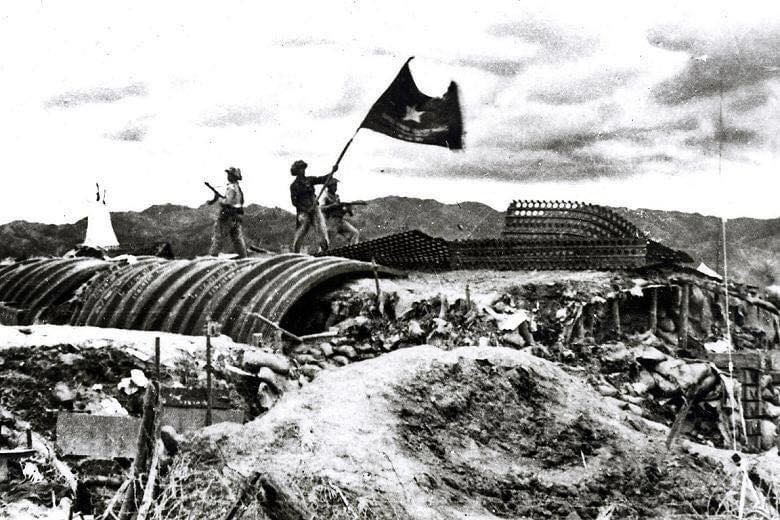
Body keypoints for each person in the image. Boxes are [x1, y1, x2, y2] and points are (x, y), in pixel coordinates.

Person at [289, 160, 332, 253]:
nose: (302, 171)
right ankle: (296, 252)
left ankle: (324, 250)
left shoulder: (309, 180)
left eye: (303, 168)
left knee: (321, 229)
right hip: (303, 211)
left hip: (314, 209)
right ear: (296, 171)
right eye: (300, 169)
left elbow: (321, 179)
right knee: (302, 229)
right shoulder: (294, 186)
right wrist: (306, 209)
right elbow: (294, 202)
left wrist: (332, 171)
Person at [209, 166, 248, 258]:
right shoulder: (238, 188)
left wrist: (220, 199)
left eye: (229, 174)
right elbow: (241, 201)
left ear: (232, 176)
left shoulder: (231, 188)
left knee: (218, 236)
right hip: (236, 216)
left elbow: (228, 202)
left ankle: (213, 256)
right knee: (237, 238)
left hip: (227, 215)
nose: (228, 176)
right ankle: (243, 257)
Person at [322, 178, 360, 246]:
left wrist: (347, 210)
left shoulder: (337, 197)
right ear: (329, 187)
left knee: (355, 233)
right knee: (329, 243)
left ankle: (352, 249)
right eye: (334, 186)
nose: (335, 188)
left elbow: (340, 210)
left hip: (340, 221)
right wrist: (332, 205)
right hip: (332, 222)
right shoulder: (325, 197)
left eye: (336, 186)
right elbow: (321, 208)